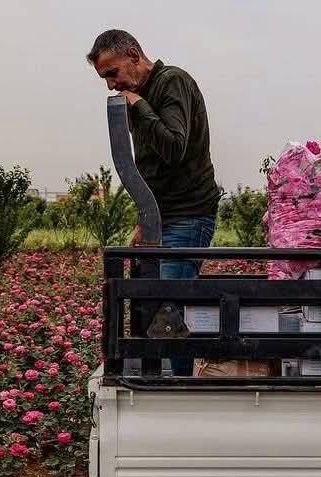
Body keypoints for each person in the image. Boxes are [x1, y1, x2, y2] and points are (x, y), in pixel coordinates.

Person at [87, 29, 221, 374]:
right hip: (164, 216)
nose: (111, 85)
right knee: (156, 303)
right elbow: (151, 168)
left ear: (133, 54)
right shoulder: (141, 96)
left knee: (167, 306)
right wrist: (145, 219)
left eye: (112, 73)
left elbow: (174, 147)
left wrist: (140, 106)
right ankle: (170, 381)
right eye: (104, 78)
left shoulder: (172, 82)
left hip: (189, 213)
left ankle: (177, 389)